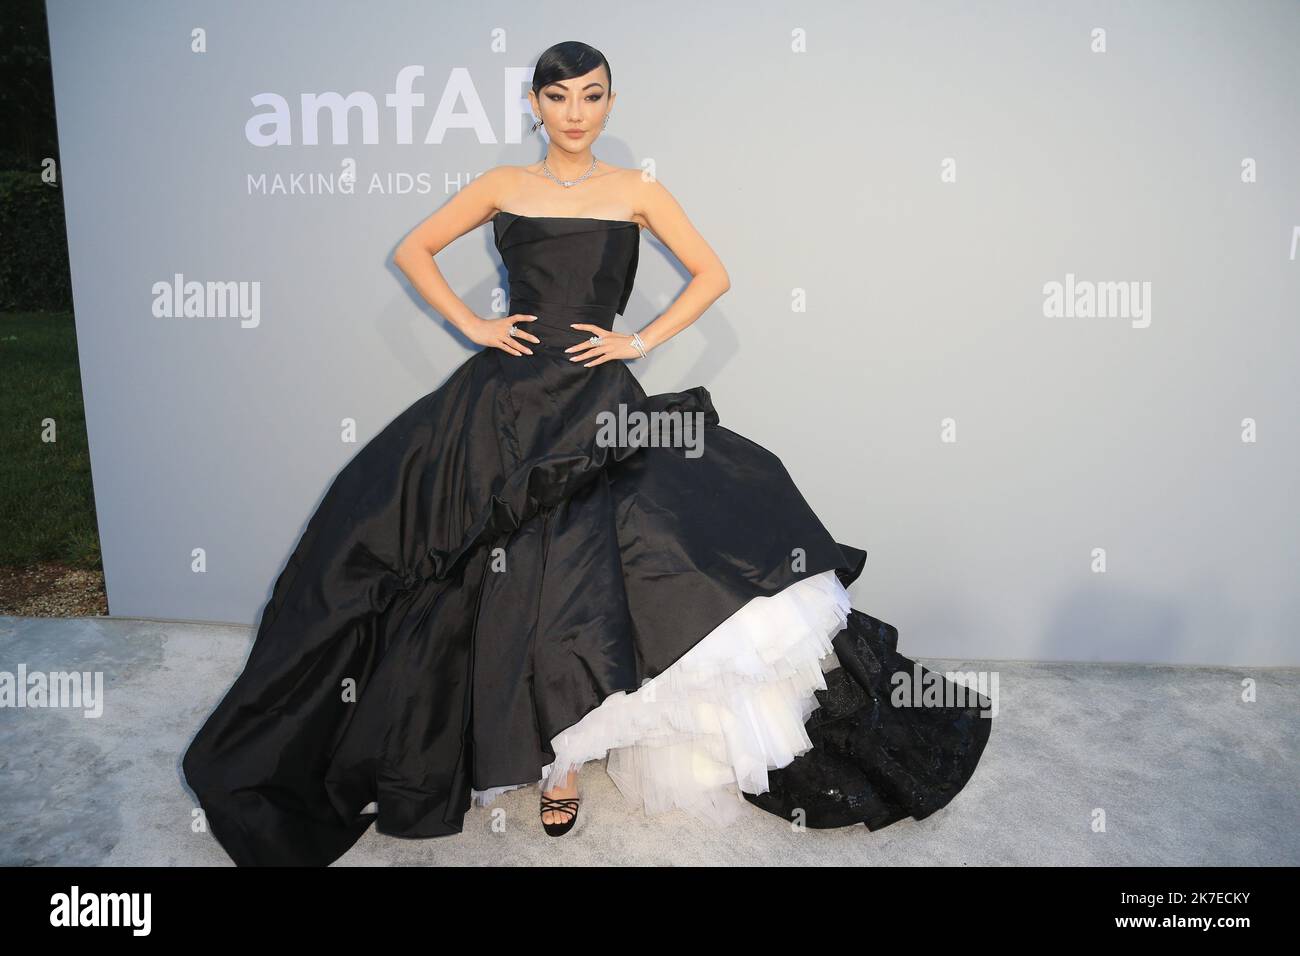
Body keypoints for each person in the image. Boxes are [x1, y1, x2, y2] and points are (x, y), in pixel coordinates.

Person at [181, 40, 993, 866]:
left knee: (591, 579)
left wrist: (638, 338)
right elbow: (413, 252)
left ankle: (564, 756)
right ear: (535, 105)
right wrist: (476, 326)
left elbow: (712, 274)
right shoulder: (505, 185)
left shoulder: (637, 190)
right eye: (559, 96)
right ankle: (536, 755)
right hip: (502, 403)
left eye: (592, 96)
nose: (575, 112)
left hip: (597, 398)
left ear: (610, 104)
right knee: (475, 566)